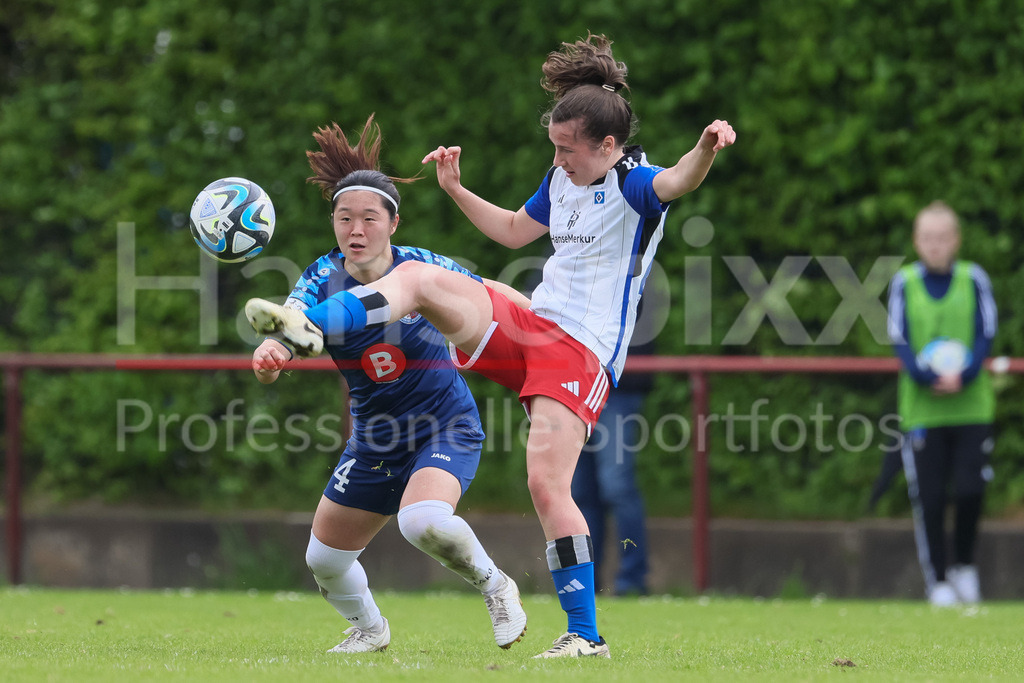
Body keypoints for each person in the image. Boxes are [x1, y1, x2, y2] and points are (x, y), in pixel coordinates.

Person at [246, 33, 735, 657]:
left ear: (608, 147)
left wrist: (705, 146)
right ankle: (313, 328)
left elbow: (680, 181)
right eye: (554, 148)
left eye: (568, 150)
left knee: (544, 483)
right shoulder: (562, 183)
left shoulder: (635, 187)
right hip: (532, 322)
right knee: (419, 281)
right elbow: (510, 231)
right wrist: (454, 189)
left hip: (580, 350)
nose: (558, 160)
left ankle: (584, 635)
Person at [249, 116, 528, 653]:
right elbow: (291, 324)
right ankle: (370, 630)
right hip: (376, 438)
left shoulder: (421, 268)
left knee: (422, 522)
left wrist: (538, 317)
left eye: (369, 218)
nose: (356, 230)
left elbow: (487, 291)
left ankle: (496, 586)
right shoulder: (317, 279)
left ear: (393, 223)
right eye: (344, 217)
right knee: (324, 560)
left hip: (444, 426)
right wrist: (272, 352)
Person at [887, 200, 998, 607]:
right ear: (917, 242)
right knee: (930, 498)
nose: (935, 246)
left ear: (955, 241)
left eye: (942, 238)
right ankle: (938, 582)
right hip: (923, 409)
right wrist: (927, 377)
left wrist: (964, 376)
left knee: (970, 490)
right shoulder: (904, 282)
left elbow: (986, 332)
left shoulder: (974, 278)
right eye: (927, 238)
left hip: (971, 406)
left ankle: (965, 566)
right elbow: (899, 338)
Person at [571, 314, 654, 596]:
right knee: (582, 492)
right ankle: (587, 583)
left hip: (617, 388)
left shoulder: (627, 270)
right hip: (574, 388)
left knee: (617, 487)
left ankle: (632, 580)